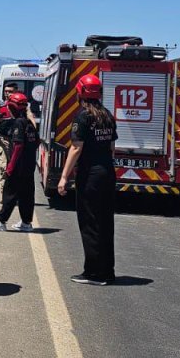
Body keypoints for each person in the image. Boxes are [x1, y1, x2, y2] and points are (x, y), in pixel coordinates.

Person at [58, 74, 118, 286]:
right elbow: (111, 148)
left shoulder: (83, 116)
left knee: (90, 223)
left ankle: (93, 273)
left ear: (80, 92)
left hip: (90, 175)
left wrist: (64, 177)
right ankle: (107, 271)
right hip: (107, 173)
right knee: (105, 223)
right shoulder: (107, 115)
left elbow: (76, 147)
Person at [0, 92, 40, 232]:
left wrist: (11, 167)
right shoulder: (29, 123)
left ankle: (0, 221)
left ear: (12, 108)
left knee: (9, 193)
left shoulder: (18, 123)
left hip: (18, 166)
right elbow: (36, 142)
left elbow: (18, 146)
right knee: (26, 195)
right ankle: (26, 223)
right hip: (29, 166)